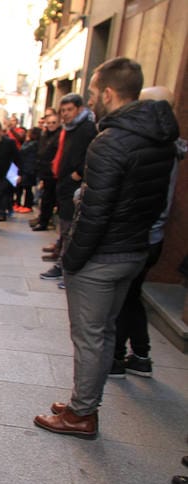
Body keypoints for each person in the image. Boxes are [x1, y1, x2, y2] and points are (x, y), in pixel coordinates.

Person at [33, 57, 179, 439]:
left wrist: (73, 259)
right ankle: (84, 401)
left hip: (103, 255)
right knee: (105, 332)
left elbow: (95, 211)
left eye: (94, 93)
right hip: (135, 249)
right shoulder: (159, 138)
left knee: (89, 335)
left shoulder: (111, 141)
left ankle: (81, 414)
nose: (91, 100)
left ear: (110, 93)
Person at [110, 86, 185, 378]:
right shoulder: (166, 143)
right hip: (147, 235)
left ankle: (117, 357)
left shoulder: (158, 145)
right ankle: (140, 353)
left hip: (141, 236)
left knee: (121, 297)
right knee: (130, 296)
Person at [39, 93, 97, 283]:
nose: (65, 114)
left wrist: (79, 172)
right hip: (63, 183)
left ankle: (67, 270)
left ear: (79, 109)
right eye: (62, 110)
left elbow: (92, 153)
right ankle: (63, 266)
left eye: (69, 110)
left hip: (74, 185)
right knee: (65, 228)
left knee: (71, 230)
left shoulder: (87, 128)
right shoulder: (69, 129)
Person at [32, 112, 62, 232]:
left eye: (54, 122)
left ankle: (45, 221)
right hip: (45, 172)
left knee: (50, 198)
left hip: (55, 172)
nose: (51, 125)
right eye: (49, 123)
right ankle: (43, 220)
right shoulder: (45, 136)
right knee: (46, 197)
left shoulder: (60, 135)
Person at [14, 127, 41, 212]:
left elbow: (22, 151)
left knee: (27, 187)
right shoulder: (29, 142)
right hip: (24, 167)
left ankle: (27, 205)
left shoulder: (34, 144)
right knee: (20, 186)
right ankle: (18, 203)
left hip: (29, 169)